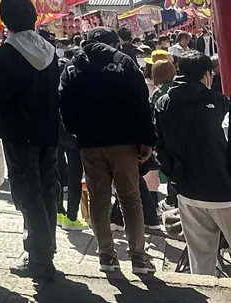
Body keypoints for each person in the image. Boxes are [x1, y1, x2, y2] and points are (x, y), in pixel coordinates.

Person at [59, 26, 156, 276]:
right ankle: (138, 256)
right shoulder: (123, 62)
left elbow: (63, 102)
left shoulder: (73, 66)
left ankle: (106, 255)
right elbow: (140, 101)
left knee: (98, 199)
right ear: (114, 42)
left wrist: (75, 130)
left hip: (89, 142)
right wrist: (147, 139)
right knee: (130, 198)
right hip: (123, 141)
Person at [0, 0, 61, 281]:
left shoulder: (6, 54)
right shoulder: (49, 50)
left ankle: (40, 258)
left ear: (6, 20)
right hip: (49, 132)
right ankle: (46, 250)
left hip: (20, 134)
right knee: (47, 191)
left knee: (27, 194)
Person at [154, 50, 231, 276]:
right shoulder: (218, 102)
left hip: (187, 192)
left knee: (200, 256)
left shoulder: (163, 103)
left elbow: (161, 146)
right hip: (224, 192)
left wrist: (174, 178)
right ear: (207, 75)